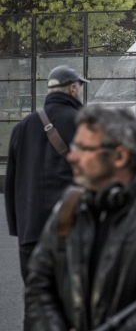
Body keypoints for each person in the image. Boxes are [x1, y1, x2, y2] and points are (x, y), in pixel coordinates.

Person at [25, 105, 136, 330]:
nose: (71, 156)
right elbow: (38, 284)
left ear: (119, 156)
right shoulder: (69, 206)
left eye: (83, 148)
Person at [5, 65, 88, 283]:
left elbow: (11, 185)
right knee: (73, 305)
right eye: (80, 87)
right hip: (71, 231)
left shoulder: (22, 128)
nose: (80, 92)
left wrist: (18, 230)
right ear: (72, 89)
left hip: (30, 232)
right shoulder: (84, 124)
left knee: (37, 305)